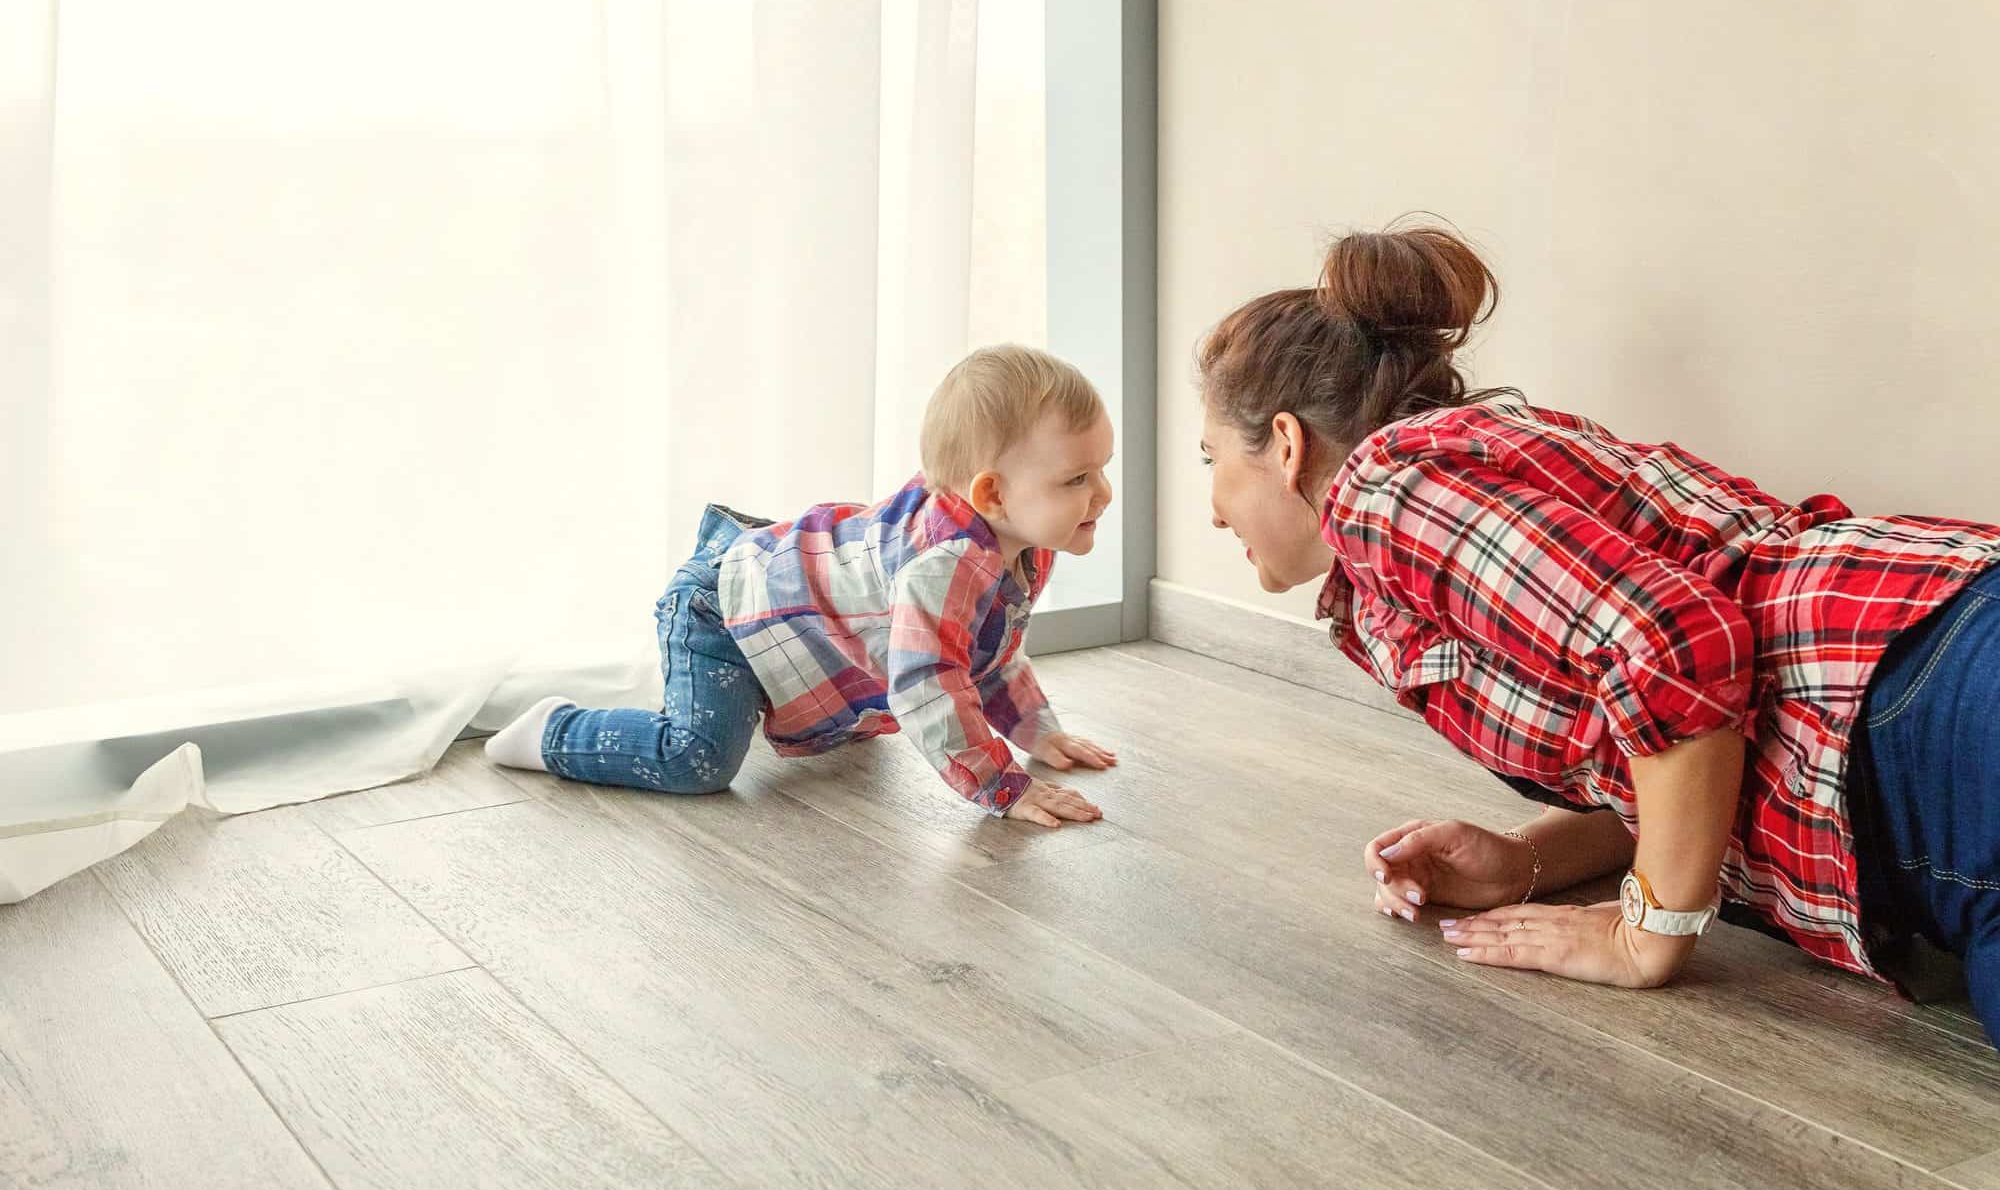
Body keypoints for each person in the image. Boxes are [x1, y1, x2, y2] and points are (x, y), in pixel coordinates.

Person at [1196, 221, 2000, 1040]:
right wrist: (1530, 858)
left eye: (1210, 458)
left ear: (1287, 446)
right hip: (1917, 760)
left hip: (1921, 717)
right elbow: (1674, 724)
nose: (1213, 508)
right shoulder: (1452, 480)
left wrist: (1648, 933)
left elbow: (1676, 644)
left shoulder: (1382, 492)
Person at [486, 344, 1119, 830]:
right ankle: (553, 732)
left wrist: (1037, 729)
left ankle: (758, 701)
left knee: (852, 736)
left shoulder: (1022, 548)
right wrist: (1004, 786)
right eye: (1077, 479)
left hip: (783, 605)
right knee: (696, 760)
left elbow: (989, 653)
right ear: (991, 494)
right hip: (719, 611)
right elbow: (932, 686)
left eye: (1102, 471)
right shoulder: (942, 566)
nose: (1104, 494)